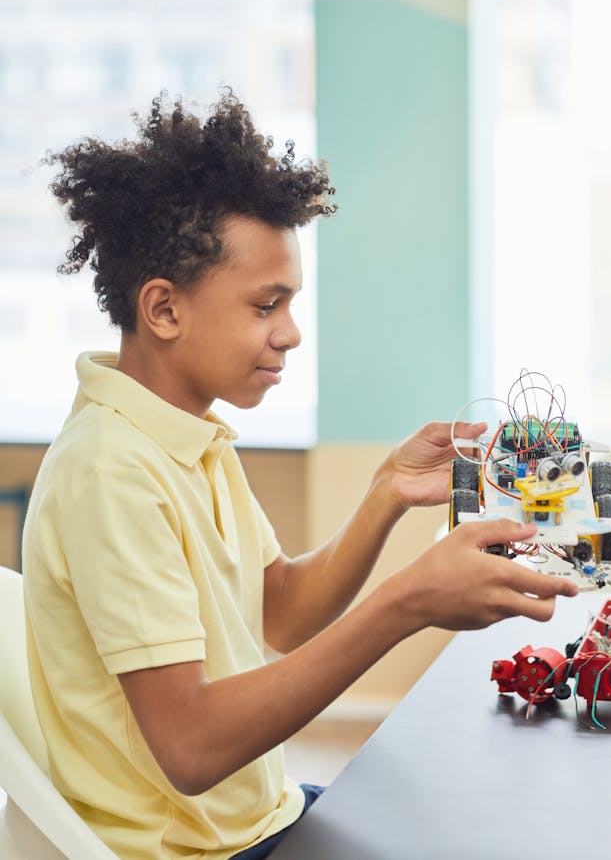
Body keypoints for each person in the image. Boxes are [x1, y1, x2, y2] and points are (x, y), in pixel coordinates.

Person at [22, 91, 578, 860]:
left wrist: (384, 494)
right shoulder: (110, 473)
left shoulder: (186, 439)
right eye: (264, 305)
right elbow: (191, 747)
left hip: (262, 817)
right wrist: (407, 602)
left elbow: (277, 610)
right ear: (164, 309)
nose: (289, 332)